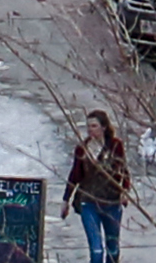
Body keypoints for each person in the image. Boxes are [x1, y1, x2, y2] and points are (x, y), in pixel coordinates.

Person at [66, 110, 130, 263]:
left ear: (104, 127)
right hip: (88, 202)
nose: (90, 130)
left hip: (111, 203)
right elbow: (75, 175)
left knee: (112, 248)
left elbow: (123, 171)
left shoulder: (115, 146)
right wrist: (65, 200)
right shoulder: (82, 149)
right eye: (88, 126)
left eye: (94, 126)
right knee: (96, 250)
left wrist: (125, 190)